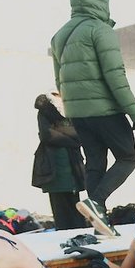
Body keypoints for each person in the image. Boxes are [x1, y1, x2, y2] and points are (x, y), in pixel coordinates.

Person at [51, 0, 135, 237]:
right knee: (127, 157)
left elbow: (59, 80)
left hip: (78, 113)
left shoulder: (60, 35)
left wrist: (72, 109)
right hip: (105, 111)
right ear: (100, 2)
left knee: (95, 162)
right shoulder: (100, 30)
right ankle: (97, 201)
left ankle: (97, 220)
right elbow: (116, 76)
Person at [31, 92, 86, 230]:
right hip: (53, 165)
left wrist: (61, 131)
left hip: (72, 164)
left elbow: (81, 134)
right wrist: (72, 141)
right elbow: (47, 135)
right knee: (61, 209)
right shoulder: (45, 109)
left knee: (76, 207)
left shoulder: (73, 108)